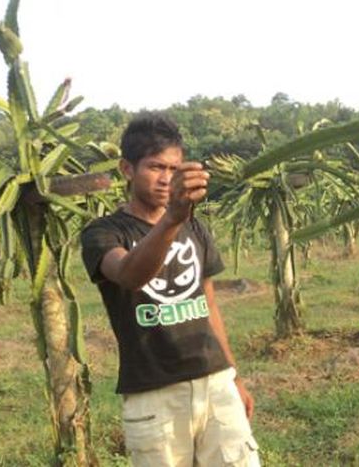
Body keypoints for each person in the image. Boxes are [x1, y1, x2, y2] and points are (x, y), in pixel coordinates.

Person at [80, 112, 260, 466]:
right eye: (155, 167)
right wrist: (171, 219)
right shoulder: (104, 233)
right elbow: (130, 274)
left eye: (174, 170)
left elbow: (208, 303)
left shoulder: (195, 227)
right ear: (127, 169)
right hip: (154, 394)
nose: (166, 179)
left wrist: (233, 375)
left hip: (215, 382)